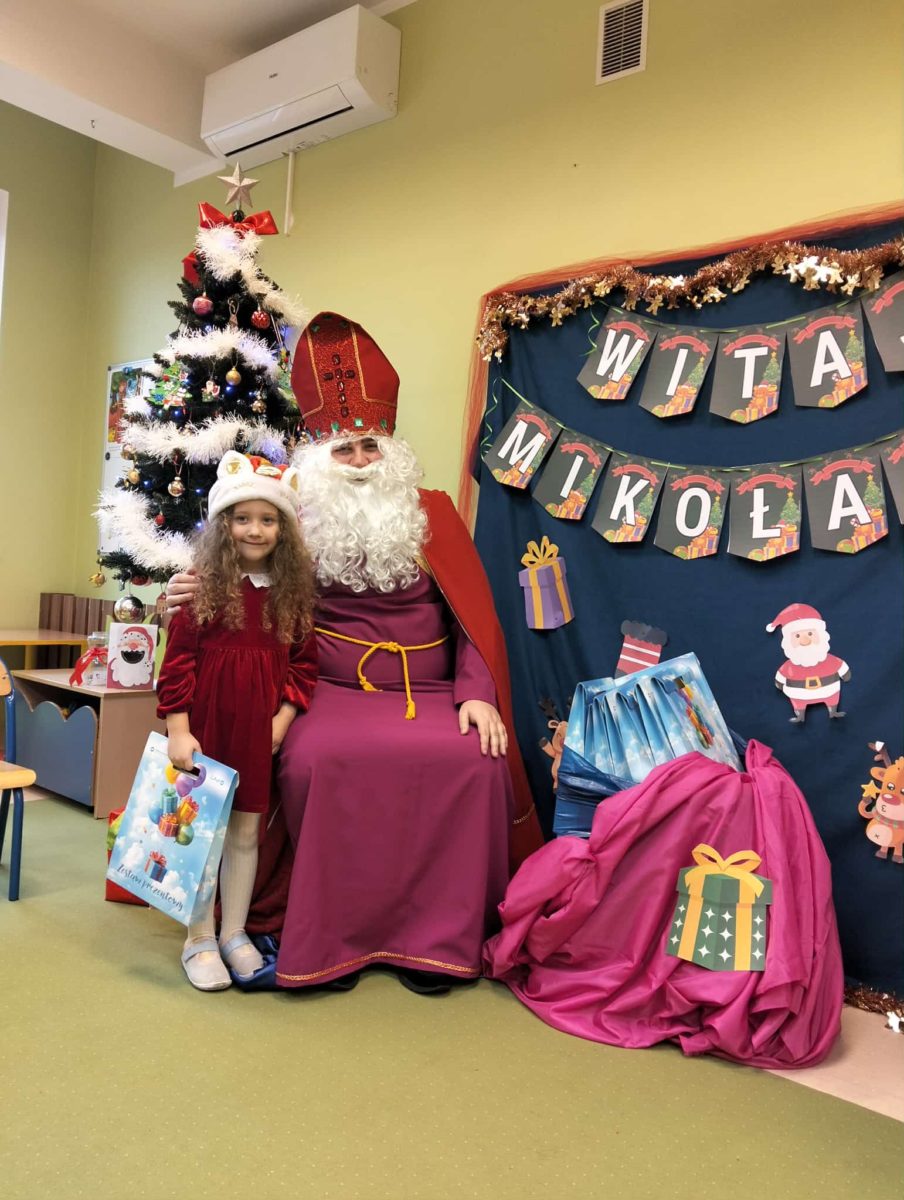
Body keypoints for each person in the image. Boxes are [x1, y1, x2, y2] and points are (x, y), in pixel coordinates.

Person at [169, 312, 542, 995]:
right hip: (327, 690)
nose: (364, 462)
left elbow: (473, 620)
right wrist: (184, 593)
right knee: (316, 759)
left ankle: (437, 941)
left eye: (372, 446)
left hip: (432, 692)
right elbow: (241, 590)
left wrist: (477, 695)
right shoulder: (291, 523)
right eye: (346, 450)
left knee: (476, 761)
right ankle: (335, 936)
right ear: (319, 457)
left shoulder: (433, 513)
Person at [157, 451, 318, 991]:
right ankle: (198, 937)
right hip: (206, 727)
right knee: (201, 831)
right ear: (224, 524)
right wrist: (179, 728)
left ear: (283, 529)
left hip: (258, 730)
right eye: (243, 518)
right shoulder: (200, 588)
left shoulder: (292, 595)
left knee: (246, 832)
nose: (255, 529)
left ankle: (234, 933)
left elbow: (304, 666)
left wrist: (284, 719)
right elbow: (177, 663)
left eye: (268, 519)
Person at [766, 602, 851, 723]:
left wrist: (845, 674)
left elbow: (840, 666)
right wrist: (779, 683)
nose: (805, 640)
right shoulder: (789, 666)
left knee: (831, 698)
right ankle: (800, 715)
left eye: (810, 633)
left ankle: (833, 711)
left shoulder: (830, 660)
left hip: (829, 690)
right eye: (797, 636)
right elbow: (781, 676)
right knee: (799, 702)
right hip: (799, 693)